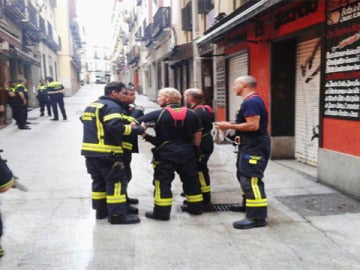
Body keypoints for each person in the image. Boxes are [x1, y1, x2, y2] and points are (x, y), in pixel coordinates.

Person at [80, 81, 145, 225]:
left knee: (99, 182)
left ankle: (101, 211)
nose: (125, 95)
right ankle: (117, 215)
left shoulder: (93, 105)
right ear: (113, 93)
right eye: (123, 93)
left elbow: (85, 121)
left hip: (90, 152)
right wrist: (137, 130)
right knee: (116, 183)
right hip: (108, 152)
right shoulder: (112, 106)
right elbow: (114, 126)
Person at [137, 87, 204, 221]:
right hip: (187, 153)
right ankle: (195, 208)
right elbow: (198, 134)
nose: (157, 99)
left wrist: (144, 131)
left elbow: (137, 121)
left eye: (160, 97)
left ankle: (161, 213)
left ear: (167, 98)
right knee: (191, 181)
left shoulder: (158, 114)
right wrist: (195, 149)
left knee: (163, 182)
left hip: (166, 155)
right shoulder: (192, 114)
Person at [215, 75, 271, 229]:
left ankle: (257, 218)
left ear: (244, 84)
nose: (233, 87)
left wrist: (229, 126)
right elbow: (245, 124)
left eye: (235, 84)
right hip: (247, 145)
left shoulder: (251, 102)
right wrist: (231, 128)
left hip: (255, 147)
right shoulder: (248, 102)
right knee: (243, 175)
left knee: (251, 179)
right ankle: (248, 206)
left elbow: (253, 126)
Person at [183, 88, 214, 204]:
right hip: (206, 142)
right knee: (201, 169)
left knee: (200, 171)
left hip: (201, 144)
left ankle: (205, 198)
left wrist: (195, 147)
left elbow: (196, 132)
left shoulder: (196, 113)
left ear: (191, 98)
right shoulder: (205, 109)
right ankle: (203, 194)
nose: (184, 98)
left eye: (185, 96)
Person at [121, 87, 144, 205]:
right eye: (131, 95)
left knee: (126, 172)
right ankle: (122, 200)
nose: (134, 97)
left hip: (128, 145)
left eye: (134, 95)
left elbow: (138, 122)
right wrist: (137, 113)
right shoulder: (118, 109)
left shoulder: (130, 108)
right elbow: (128, 123)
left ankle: (125, 196)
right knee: (123, 173)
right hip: (120, 146)